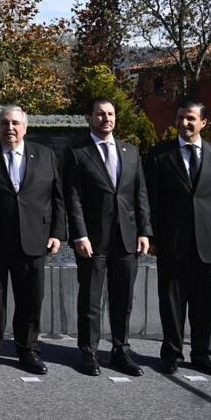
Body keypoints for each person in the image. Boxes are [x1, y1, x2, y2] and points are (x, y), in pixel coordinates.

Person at [0, 105, 65, 375]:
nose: (9, 128)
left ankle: (28, 350)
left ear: (25, 127)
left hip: (34, 239)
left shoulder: (45, 154)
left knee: (30, 300)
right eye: (4, 123)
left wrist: (57, 232)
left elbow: (57, 197)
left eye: (15, 123)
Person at [145, 100, 211, 377]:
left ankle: (204, 355)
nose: (184, 123)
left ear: (203, 122)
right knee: (171, 302)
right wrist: (149, 236)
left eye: (190, 119)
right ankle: (171, 354)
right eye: (181, 118)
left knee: (204, 303)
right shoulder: (159, 155)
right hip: (171, 242)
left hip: (209, 242)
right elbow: (150, 199)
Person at [64, 98, 151, 377]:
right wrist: (79, 234)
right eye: (100, 114)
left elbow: (140, 195)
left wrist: (144, 231)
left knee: (122, 298)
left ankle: (121, 351)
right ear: (89, 117)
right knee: (90, 298)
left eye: (111, 114)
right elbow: (73, 198)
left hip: (126, 238)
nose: (106, 119)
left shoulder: (131, 151)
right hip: (93, 240)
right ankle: (88, 352)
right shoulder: (77, 152)